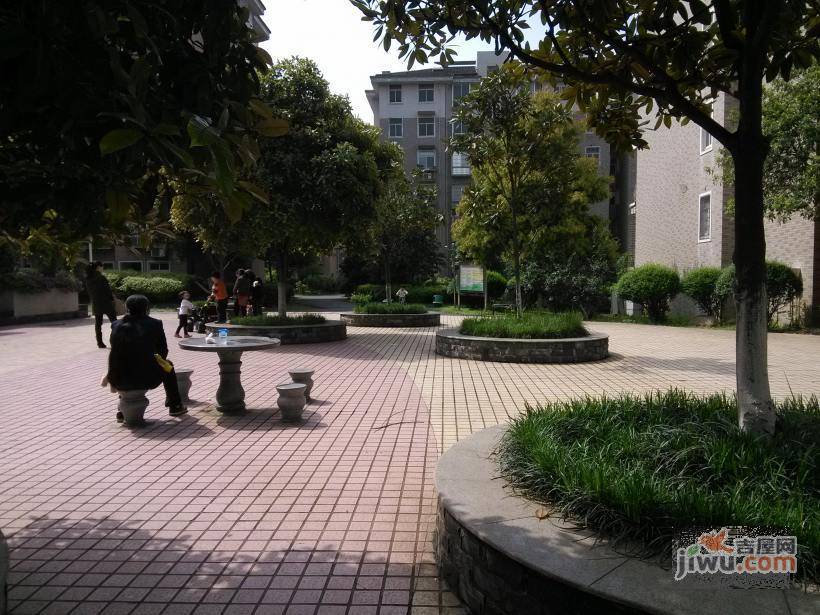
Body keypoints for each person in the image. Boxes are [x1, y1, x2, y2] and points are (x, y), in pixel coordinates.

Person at [104, 294, 187, 424]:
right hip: (147, 378)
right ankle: (175, 406)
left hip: (118, 379)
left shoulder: (116, 325)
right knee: (168, 365)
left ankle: (121, 411)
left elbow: (116, 350)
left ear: (127, 307)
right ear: (147, 308)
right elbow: (163, 351)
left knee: (122, 362)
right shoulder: (155, 324)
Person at [85, 261, 117, 348]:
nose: (102, 268)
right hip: (106, 302)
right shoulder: (101, 278)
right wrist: (112, 299)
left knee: (98, 324)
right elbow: (107, 291)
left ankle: (100, 343)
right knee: (115, 322)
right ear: (98, 267)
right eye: (102, 266)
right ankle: (115, 341)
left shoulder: (88, 279)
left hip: (96, 303)